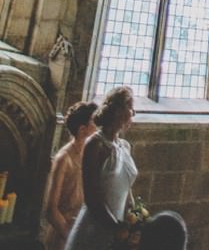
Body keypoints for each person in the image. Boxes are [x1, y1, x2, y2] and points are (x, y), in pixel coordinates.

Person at [65, 85, 138, 250]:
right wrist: (114, 227)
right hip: (95, 227)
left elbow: (126, 188)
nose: (133, 115)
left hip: (118, 226)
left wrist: (135, 214)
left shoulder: (124, 146)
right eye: (131, 109)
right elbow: (92, 196)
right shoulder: (95, 145)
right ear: (120, 111)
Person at [44, 101, 98, 250]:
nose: (99, 130)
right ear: (82, 129)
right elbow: (51, 209)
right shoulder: (64, 159)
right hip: (63, 238)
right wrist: (71, 238)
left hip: (81, 233)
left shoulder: (89, 154)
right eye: (95, 125)